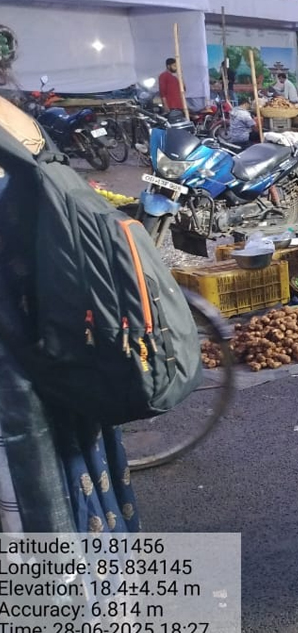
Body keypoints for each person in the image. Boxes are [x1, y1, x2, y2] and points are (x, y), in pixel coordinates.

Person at [0, 94, 142, 534]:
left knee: (43, 504)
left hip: (22, 369)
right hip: (62, 345)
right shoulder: (17, 118)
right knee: (80, 481)